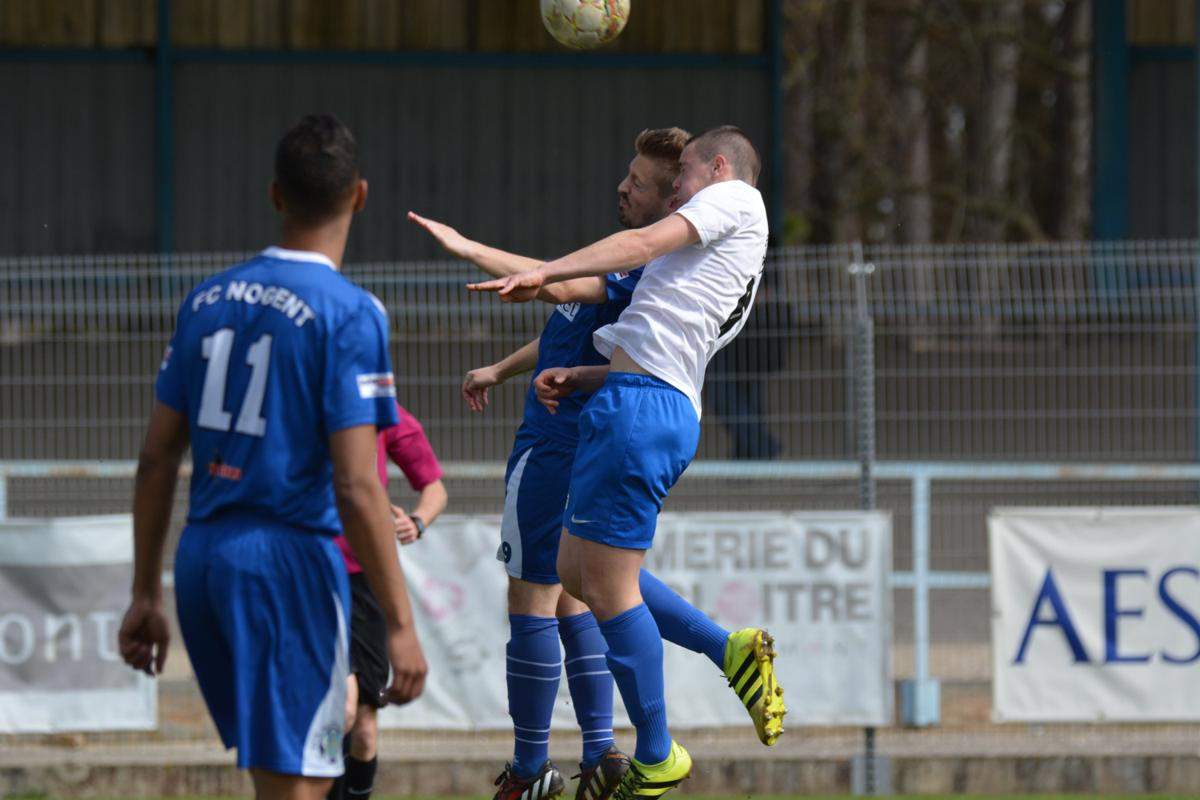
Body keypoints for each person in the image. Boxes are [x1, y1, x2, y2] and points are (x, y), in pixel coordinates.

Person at [117, 113, 428, 800]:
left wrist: (146, 590)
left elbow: (156, 459)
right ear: (361, 196)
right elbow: (356, 482)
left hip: (204, 560)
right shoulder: (351, 313)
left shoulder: (206, 299)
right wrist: (402, 626)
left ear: (275, 195)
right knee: (299, 787)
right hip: (287, 563)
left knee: (279, 780)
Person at [472, 126, 788, 800]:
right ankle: (723, 653)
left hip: (639, 412)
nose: (676, 195)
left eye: (680, 182)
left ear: (720, 166)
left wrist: (546, 270)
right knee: (576, 574)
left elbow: (639, 247)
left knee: (598, 588)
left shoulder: (734, 200)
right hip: (629, 400)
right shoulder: (698, 245)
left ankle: (652, 753)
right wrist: (583, 377)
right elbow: (656, 335)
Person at [409, 127, 692, 800]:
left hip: (554, 443)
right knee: (577, 596)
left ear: (667, 203)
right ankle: (599, 752)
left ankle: (530, 769)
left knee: (531, 596)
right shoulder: (652, 273)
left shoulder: (635, 264)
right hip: (591, 441)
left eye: (639, 183)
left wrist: (473, 248)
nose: (623, 187)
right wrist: (502, 368)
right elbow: (568, 322)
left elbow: (553, 287)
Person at [328, 400, 448, 800]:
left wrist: (416, 521)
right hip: (314, 576)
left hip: (368, 579)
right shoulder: (306, 402)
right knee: (337, 710)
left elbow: (434, 487)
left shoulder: (383, 410)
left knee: (362, 727)